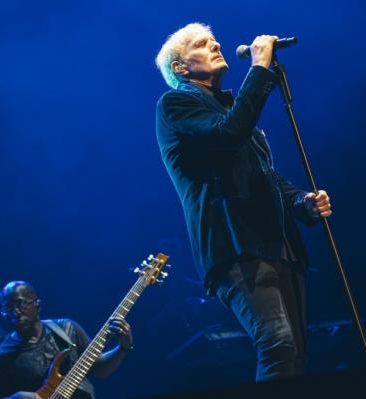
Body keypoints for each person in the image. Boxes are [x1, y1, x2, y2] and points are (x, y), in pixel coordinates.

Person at [154, 23, 332, 381]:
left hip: (277, 243)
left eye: (214, 40)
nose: (216, 45)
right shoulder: (176, 104)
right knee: (277, 342)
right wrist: (259, 70)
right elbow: (228, 134)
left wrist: (301, 202)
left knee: (296, 355)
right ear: (180, 67)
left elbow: (264, 174)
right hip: (235, 245)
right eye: (202, 45)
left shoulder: (231, 108)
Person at [0, 281, 132, 399]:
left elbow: (101, 369)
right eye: (8, 308)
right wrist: (17, 398)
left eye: (21, 304)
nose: (15, 313)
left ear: (38, 305)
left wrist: (123, 347)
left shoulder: (67, 329)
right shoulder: (0, 358)